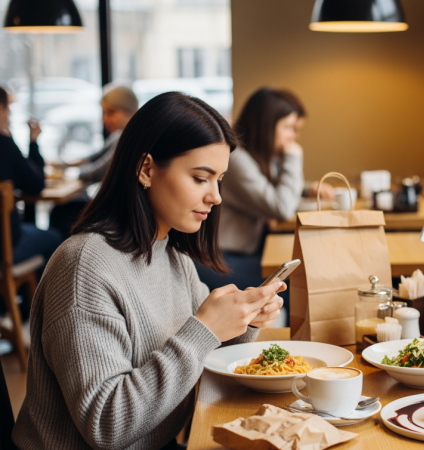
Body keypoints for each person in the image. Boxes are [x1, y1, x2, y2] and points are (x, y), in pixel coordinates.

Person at [12, 92, 285, 449]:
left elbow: (205, 353)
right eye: (201, 178)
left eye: (219, 179)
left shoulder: (173, 258)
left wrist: (244, 320)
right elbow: (107, 425)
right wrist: (204, 330)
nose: (216, 197)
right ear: (146, 169)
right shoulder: (84, 268)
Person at [194, 88, 330, 324]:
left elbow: (270, 192)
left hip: (245, 252)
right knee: (298, 284)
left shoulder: (259, 157)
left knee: (303, 276)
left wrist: (306, 188)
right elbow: (280, 205)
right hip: (219, 258)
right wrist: (294, 158)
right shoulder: (236, 160)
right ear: (267, 126)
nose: (293, 137)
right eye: (288, 128)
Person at [48, 84, 139, 237]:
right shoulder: (121, 136)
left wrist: (69, 173)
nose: (105, 120)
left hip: (118, 214)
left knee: (61, 213)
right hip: (118, 209)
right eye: (104, 113)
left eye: (111, 112)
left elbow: (95, 172)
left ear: (129, 111)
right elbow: (92, 158)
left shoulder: (126, 139)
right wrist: (66, 165)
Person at [0, 86, 63, 279]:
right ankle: (35, 307)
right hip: (5, 249)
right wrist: (33, 141)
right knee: (56, 239)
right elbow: (35, 185)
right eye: (8, 108)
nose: (9, 116)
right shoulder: (4, 144)